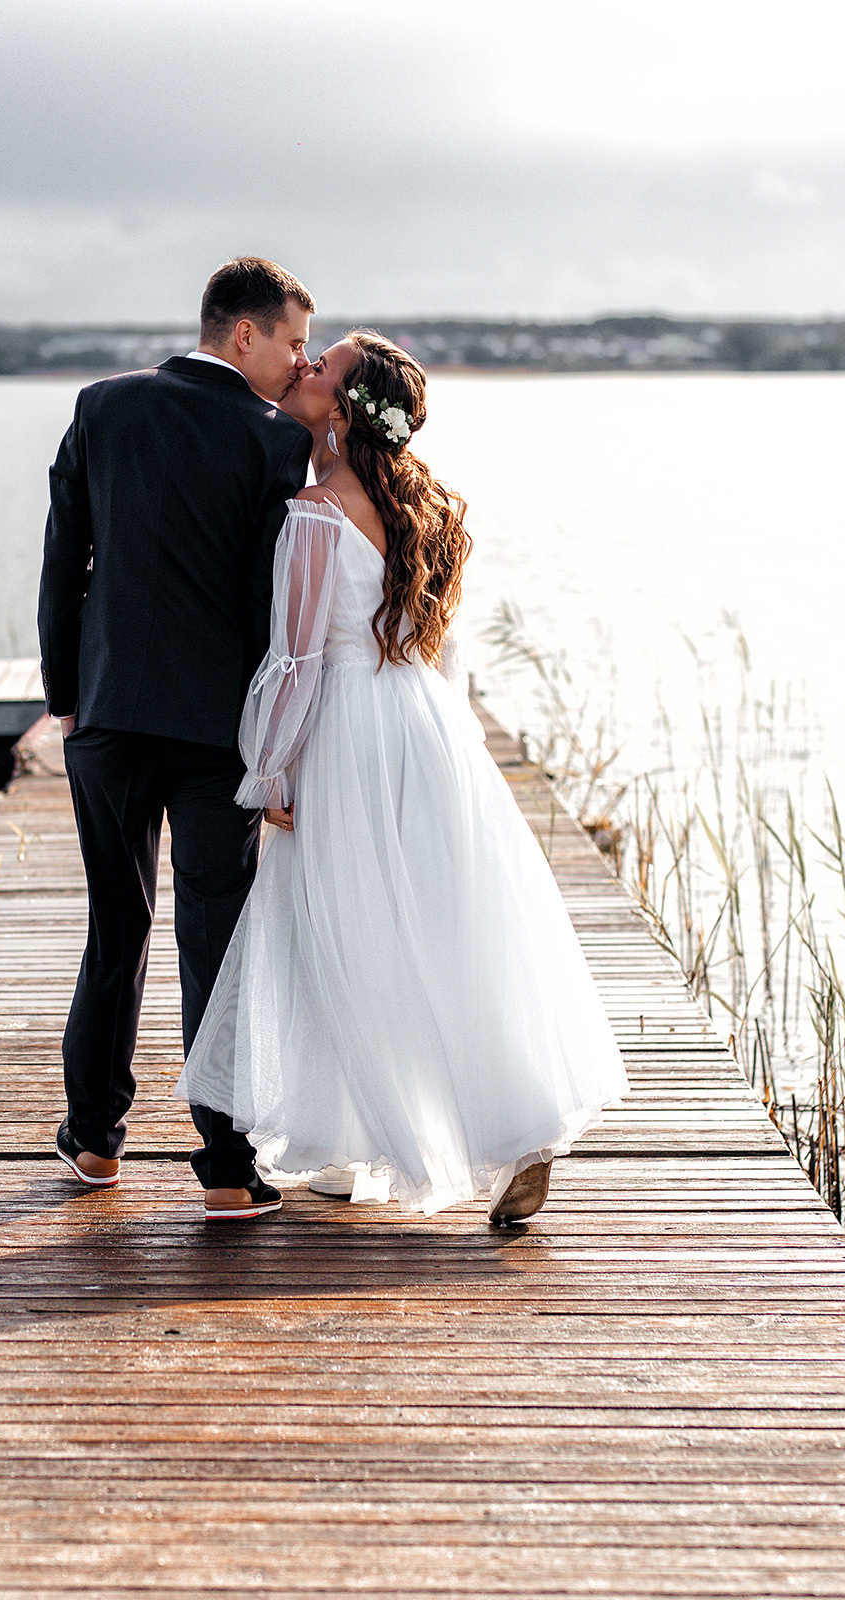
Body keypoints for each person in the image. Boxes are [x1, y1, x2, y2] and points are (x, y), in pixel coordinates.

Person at [177, 330, 630, 1223]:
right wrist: (448, 739)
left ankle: (361, 1138)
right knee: (440, 929)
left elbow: (297, 659)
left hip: (346, 731)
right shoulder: (420, 508)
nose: (304, 369)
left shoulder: (315, 511)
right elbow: (442, 647)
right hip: (422, 723)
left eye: (324, 367)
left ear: (343, 412)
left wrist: (269, 768)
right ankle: (502, 1134)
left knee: (339, 933)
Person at [37, 257, 315, 1222]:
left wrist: (64, 692)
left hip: (108, 716)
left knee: (116, 926)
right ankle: (228, 1171)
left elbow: (63, 559)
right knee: (215, 942)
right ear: (243, 334)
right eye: (290, 341)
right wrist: (278, 739)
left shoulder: (100, 407)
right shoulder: (274, 438)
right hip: (215, 732)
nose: (298, 360)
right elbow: (271, 605)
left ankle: (96, 1143)